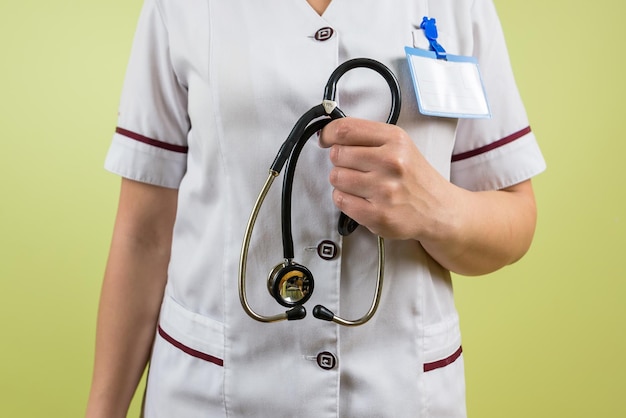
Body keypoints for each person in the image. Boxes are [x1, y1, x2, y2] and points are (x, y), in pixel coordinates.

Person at [86, 0, 546, 417]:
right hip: (211, 392)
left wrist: (437, 209)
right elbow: (143, 234)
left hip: (398, 395)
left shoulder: (458, 7)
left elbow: (515, 218)